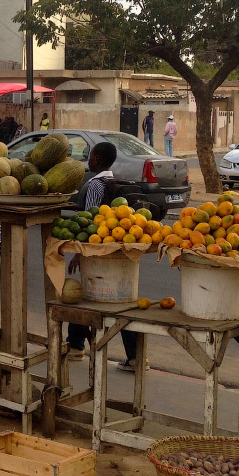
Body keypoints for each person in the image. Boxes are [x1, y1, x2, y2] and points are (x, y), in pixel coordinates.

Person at [66, 142, 142, 369]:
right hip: (120, 253)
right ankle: (136, 357)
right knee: (121, 304)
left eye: (90, 157)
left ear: (97, 159)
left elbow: (90, 223)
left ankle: (75, 347)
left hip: (98, 252)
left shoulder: (95, 186)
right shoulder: (115, 182)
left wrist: (79, 254)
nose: (88, 161)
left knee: (86, 297)